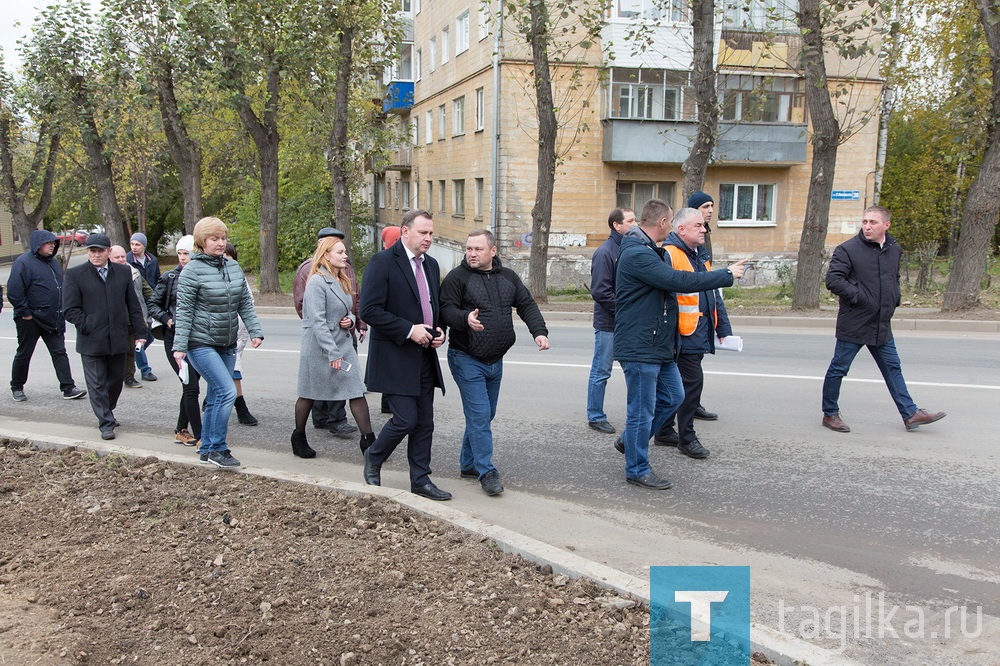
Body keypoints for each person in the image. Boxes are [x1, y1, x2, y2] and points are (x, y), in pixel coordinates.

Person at [614, 200, 745, 490]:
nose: (673, 227)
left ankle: (630, 439)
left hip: (659, 344)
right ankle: (637, 468)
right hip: (640, 345)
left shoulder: (650, 251)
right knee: (641, 410)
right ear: (662, 223)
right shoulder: (637, 253)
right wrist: (725, 275)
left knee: (674, 396)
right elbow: (676, 280)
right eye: (672, 221)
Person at [441, 229, 550, 496]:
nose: (472, 254)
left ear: (493, 251)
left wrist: (539, 332)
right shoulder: (458, 278)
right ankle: (485, 471)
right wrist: (465, 318)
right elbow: (445, 309)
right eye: (468, 249)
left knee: (485, 415)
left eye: (478, 249)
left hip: (496, 359)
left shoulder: (508, 277)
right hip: (466, 357)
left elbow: (526, 304)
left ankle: (468, 463)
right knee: (479, 416)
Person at [821, 206, 946, 433]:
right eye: (865, 221)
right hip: (855, 321)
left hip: (881, 323)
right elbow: (833, 280)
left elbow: (893, 277)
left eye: (873, 222)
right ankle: (830, 414)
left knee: (892, 367)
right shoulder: (847, 249)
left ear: (886, 225)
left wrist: (894, 298)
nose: (867, 226)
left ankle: (910, 414)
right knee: (839, 368)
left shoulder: (893, 248)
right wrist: (860, 297)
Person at [359, 209, 450, 501]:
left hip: (424, 356)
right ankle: (374, 456)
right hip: (395, 357)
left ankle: (420, 480)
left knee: (425, 422)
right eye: (423, 232)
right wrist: (409, 330)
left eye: (431, 233)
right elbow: (370, 311)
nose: (428, 238)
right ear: (405, 232)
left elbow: (433, 307)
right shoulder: (383, 262)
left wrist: (439, 331)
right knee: (405, 419)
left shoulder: (432, 265)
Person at [172, 217, 264, 468]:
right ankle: (219, 448)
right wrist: (179, 346)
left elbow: (244, 302)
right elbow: (184, 310)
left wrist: (255, 331)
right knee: (226, 391)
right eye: (215, 239)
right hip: (199, 342)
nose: (221, 243)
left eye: (223, 238)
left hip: (227, 342)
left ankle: (208, 448)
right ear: (202, 242)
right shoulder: (191, 270)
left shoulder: (233, 267)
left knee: (215, 396)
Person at [651, 208, 733, 459]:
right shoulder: (670, 254)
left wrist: (723, 327)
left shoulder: (699, 254)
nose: (704, 229)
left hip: (697, 330)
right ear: (681, 229)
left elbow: (712, 293)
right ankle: (686, 438)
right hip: (681, 334)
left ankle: (665, 431)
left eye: (703, 225)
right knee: (689, 387)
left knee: (681, 387)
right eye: (698, 225)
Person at [292, 236, 375, 458]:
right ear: (326, 255)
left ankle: (369, 442)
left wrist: (349, 319)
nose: (345, 255)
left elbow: (346, 308)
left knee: (356, 389)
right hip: (321, 347)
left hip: (342, 343)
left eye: (344, 251)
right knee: (309, 393)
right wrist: (332, 352)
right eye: (340, 252)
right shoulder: (317, 282)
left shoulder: (341, 278)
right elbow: (317, 321)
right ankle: (298, 437)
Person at [63, 234, 147, 440]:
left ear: (109, 252)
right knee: (97, 384)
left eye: (100, 251)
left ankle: (106, 410)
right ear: (88, 252)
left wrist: (140, 333)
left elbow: (133, 305)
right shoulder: (75, 274)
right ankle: (106, 422)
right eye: (92, 251)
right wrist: (88, 324)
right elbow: (69, 309)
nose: (96, 255)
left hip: (118, 338)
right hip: (91, 340)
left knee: (116, 381)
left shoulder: (123, 272)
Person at [7, 229, 86, 402]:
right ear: (38, 244)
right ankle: (17, 387)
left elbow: (60, 286)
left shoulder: (53, 263)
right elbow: (14, 291)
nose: (52, 246)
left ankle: (68, 387)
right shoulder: (23, 263)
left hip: (52, 317)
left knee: (59, 352)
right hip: (31, 319)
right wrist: (25, 313)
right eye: (49, 243)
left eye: (54, 243)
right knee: (24, 353)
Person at [148, 235, 202, 447]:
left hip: (196, 339)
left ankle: (181, 429)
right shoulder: (169, 277)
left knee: (190, 385)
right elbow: (153, 304)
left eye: (186, 253)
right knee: (190, 386)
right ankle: (200, 435)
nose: (182, 257)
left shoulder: (200, 276)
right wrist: (167, 320)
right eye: (179, 253)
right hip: (175, 340)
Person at [586, 207, 635, 434]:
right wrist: (625, 312)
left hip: (627, 323)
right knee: (601, 371)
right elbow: (601, 292)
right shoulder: (606, 252)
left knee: (634, 369)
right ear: (617, 225)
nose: (635, 224)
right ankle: (595, 416)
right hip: (609, 323)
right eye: (630, 220)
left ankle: (637, 414)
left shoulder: (627, 247)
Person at [225, 242, 259, 426]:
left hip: (236, 333)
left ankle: (241, 409)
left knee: (234, 369)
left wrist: (254, 332)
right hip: (214, 334)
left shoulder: (238, 277)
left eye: (229, 258)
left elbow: (248, 305)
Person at [110, 245, 153, 389]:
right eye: (117, 257)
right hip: (113, 320)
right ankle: (113, 376)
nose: (121, 259)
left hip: (133, 318)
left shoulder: (134, 272)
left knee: (131, 349)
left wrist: (157, 304)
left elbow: (146, 291)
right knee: (115, 350)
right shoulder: (106, 274)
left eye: (123, 256)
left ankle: (129, 377)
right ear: (109, 257)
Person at [126, 232, 160, 382]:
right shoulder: (127, 260)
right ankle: (145, 369)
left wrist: (158, 298)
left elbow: (158, 280)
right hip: (135, 303)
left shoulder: (152, 260)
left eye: (137, 244)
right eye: (132, 244)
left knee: (150, 336)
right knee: (139, 336)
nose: (134, 247)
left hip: (150, 300)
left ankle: (128, 358)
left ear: (144, 246)